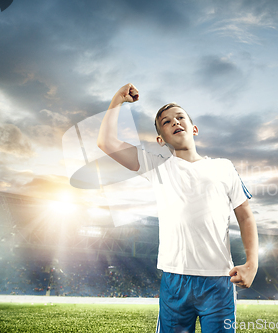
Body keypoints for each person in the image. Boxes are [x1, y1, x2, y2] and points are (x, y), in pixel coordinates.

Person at [97, 83, 258, 332]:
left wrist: (252, 263)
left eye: (180, 117)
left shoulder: (224, 167)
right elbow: (106, 142)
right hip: (175, 280)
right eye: (166, 121)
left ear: (193, 128)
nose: (175, 122)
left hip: (218, 279)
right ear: (161, 139)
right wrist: (117, 100)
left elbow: (245, 216)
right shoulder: (158, 167)